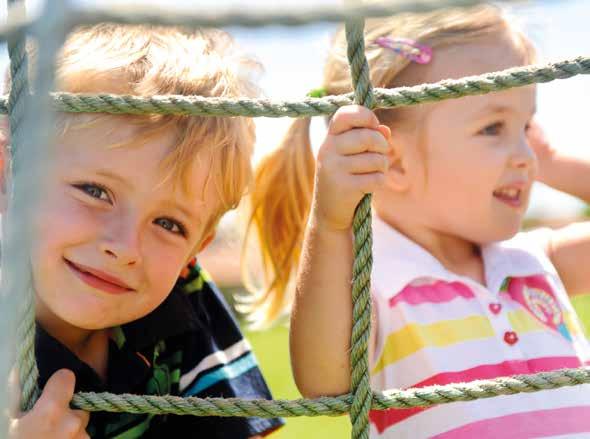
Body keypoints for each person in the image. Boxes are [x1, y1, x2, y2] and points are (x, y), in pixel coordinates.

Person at [247, 4, 590, 437]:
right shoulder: (375, 289)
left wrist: (555, 163)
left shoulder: (534, 262)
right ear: (392, 161)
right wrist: (332, 224)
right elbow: (323, 382)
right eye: (493, 128)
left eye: (526, 126)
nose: (525, 155)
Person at [5, 24, 283, 438]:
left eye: (169, 224)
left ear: (195, 248)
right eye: (95, 191)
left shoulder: (181, 304)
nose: (125, 247)